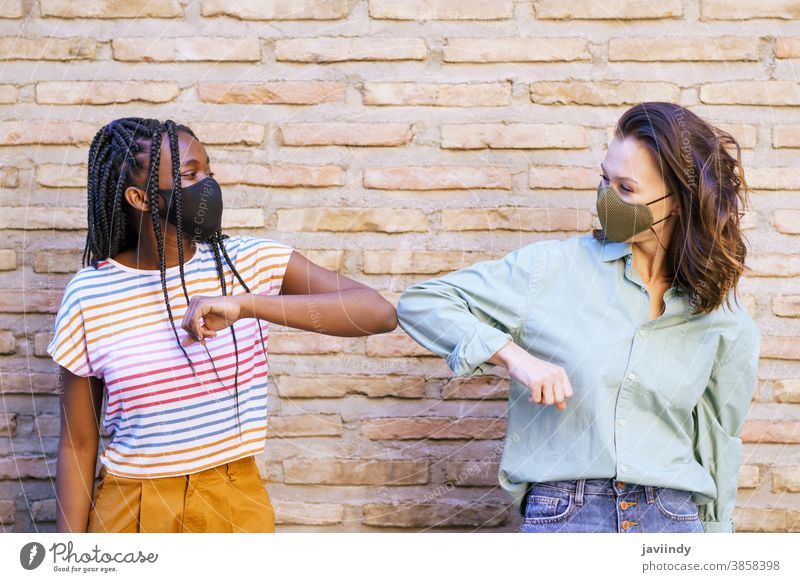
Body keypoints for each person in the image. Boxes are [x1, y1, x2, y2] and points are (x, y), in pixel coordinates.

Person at [396, 102, 761, 533]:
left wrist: (717, 546)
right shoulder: (551, 270)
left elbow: (719, 440)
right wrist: (514, 357)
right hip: (568, 516)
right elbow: (422, 301)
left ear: (678, 202)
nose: (607, 198)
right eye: (605, 179)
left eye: (626, 189)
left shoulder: (722, 317)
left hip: (672, 519)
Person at [48, 117, 397, 533]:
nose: (208, 186)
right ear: (140, 198)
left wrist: (246, 305)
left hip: (232, 497)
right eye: (191, 175)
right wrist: (65, 559)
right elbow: (77, 443)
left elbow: (377, 313)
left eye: (209, 172)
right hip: (133, 505)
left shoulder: (250, 262)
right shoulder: (90, 295)